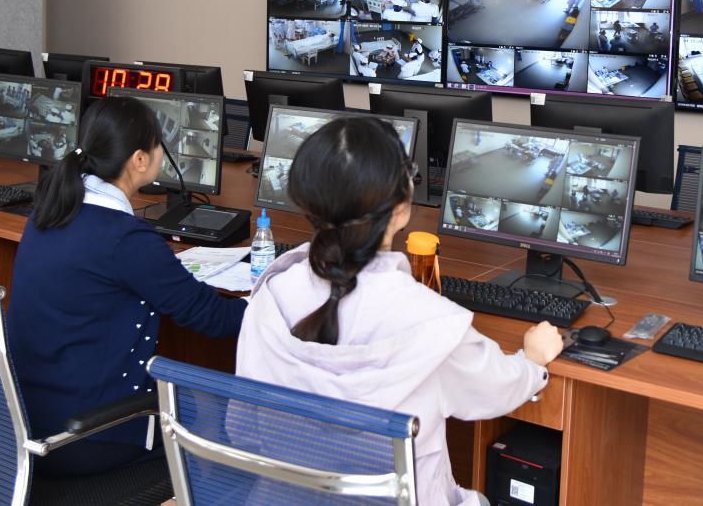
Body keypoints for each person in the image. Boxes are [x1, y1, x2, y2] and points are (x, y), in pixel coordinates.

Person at [235, 117, 561, 506]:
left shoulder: (271, 294)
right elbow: (496, 389)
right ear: (402, 207)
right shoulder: (432, 321)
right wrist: (533, 362)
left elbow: (241, 431)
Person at [9, 98, 247, 477]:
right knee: (220, 418)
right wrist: (271, 302)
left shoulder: (49, 212)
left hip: (29, 418)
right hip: (90, 434)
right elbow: (213, 318)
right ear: (139, 160)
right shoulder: (126, 240)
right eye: (158, 145)